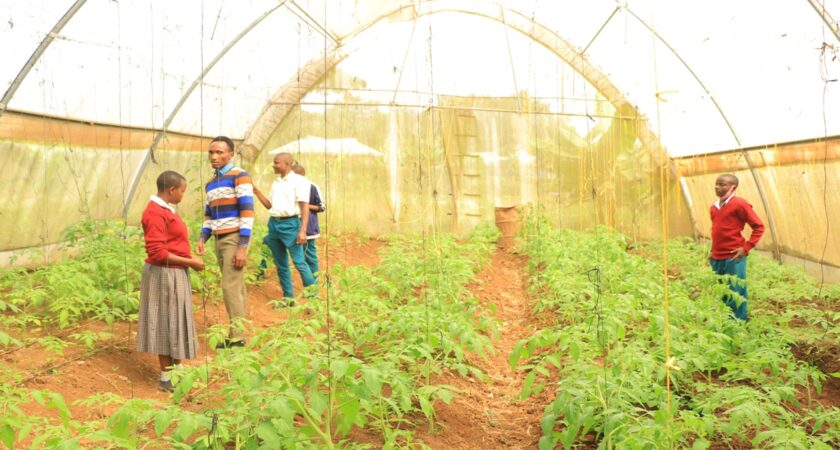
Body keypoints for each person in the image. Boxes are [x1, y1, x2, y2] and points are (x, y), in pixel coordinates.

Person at [137, 170, 205, 392]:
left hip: (175, 273)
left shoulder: (165, 210)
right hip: (163, 275)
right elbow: (157, 252)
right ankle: (167, 377)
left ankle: (177, 371)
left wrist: (187, 260)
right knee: (166, 322)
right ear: (171, 190)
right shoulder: (155, 213)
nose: (183, 195)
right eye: (182, 191)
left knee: (176, 319)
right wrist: (190, 262)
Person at [196, 136, 254, 348]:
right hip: (219, 239)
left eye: (220, 152)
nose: (215, 156)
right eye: (211, 152)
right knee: (235, 285)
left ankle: (237, 338)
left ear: (231, 154)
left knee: (230, 286)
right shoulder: (211, 183)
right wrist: (203, 237)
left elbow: (247, 211)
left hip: (234, 237)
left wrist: (242, 246)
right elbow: (209, 214)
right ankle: (239, 331)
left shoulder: (240, 176)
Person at [253, 153, 316, 307]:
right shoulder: (277, 182)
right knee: (281, 264)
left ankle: (313, 300)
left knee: (300, 262)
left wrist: (303, 231)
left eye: (276, 163)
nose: (273, 165)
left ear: (287, 164)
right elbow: (269, 206)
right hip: (274, 224)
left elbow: (304, 207)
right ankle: (289, 299)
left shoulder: (299, 181)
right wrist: (256, 191)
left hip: (291, 225)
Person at [709, 174, 765, 321]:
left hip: (733, 256)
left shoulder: (740, 204)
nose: (718, 187)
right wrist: (712, 252)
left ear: (733, 187)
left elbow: (758, 226)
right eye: (716, 184)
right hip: (717, 257)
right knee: (722, 289)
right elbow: (717, 231)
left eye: (722, 185)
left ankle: (739, 322)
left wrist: (745, 248)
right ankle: (726, 320)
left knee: (736, 291)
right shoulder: (714, 208)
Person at [291, 163, 324, 277]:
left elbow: (321, 207)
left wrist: (305, 205)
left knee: (309, 254)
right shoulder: (289, 186)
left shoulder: (312, 186)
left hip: (308, 226)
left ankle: (313, 281)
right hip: (293, 225)